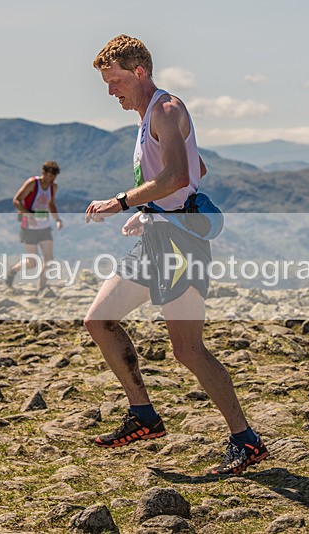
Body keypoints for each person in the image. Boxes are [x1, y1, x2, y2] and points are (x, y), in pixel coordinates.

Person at [84, 34, 267, 476]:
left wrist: (122, 202)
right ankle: (143, 415)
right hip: (156, 236)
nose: (111, 91)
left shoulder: (165, 109)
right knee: (99, 320)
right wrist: (150, 209)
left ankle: (246, 440)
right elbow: (196, 168)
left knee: (187, 349)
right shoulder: (148, 116)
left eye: (115, 81)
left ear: (139, 72)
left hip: (180, 245)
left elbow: (179, 175)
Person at [5, 161, 63, 294]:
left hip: (44, 226)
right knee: (32, 262)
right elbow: (16, 200)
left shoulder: (53, 187)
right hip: (28, 227)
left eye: (54, 177)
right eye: (50, 176)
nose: (52, 179)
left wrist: (57, 219)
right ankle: (13, 270)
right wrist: (28, 214)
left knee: (49, 259)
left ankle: (41, 288)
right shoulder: (32, 183)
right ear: (44, 173)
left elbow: (51, 204)